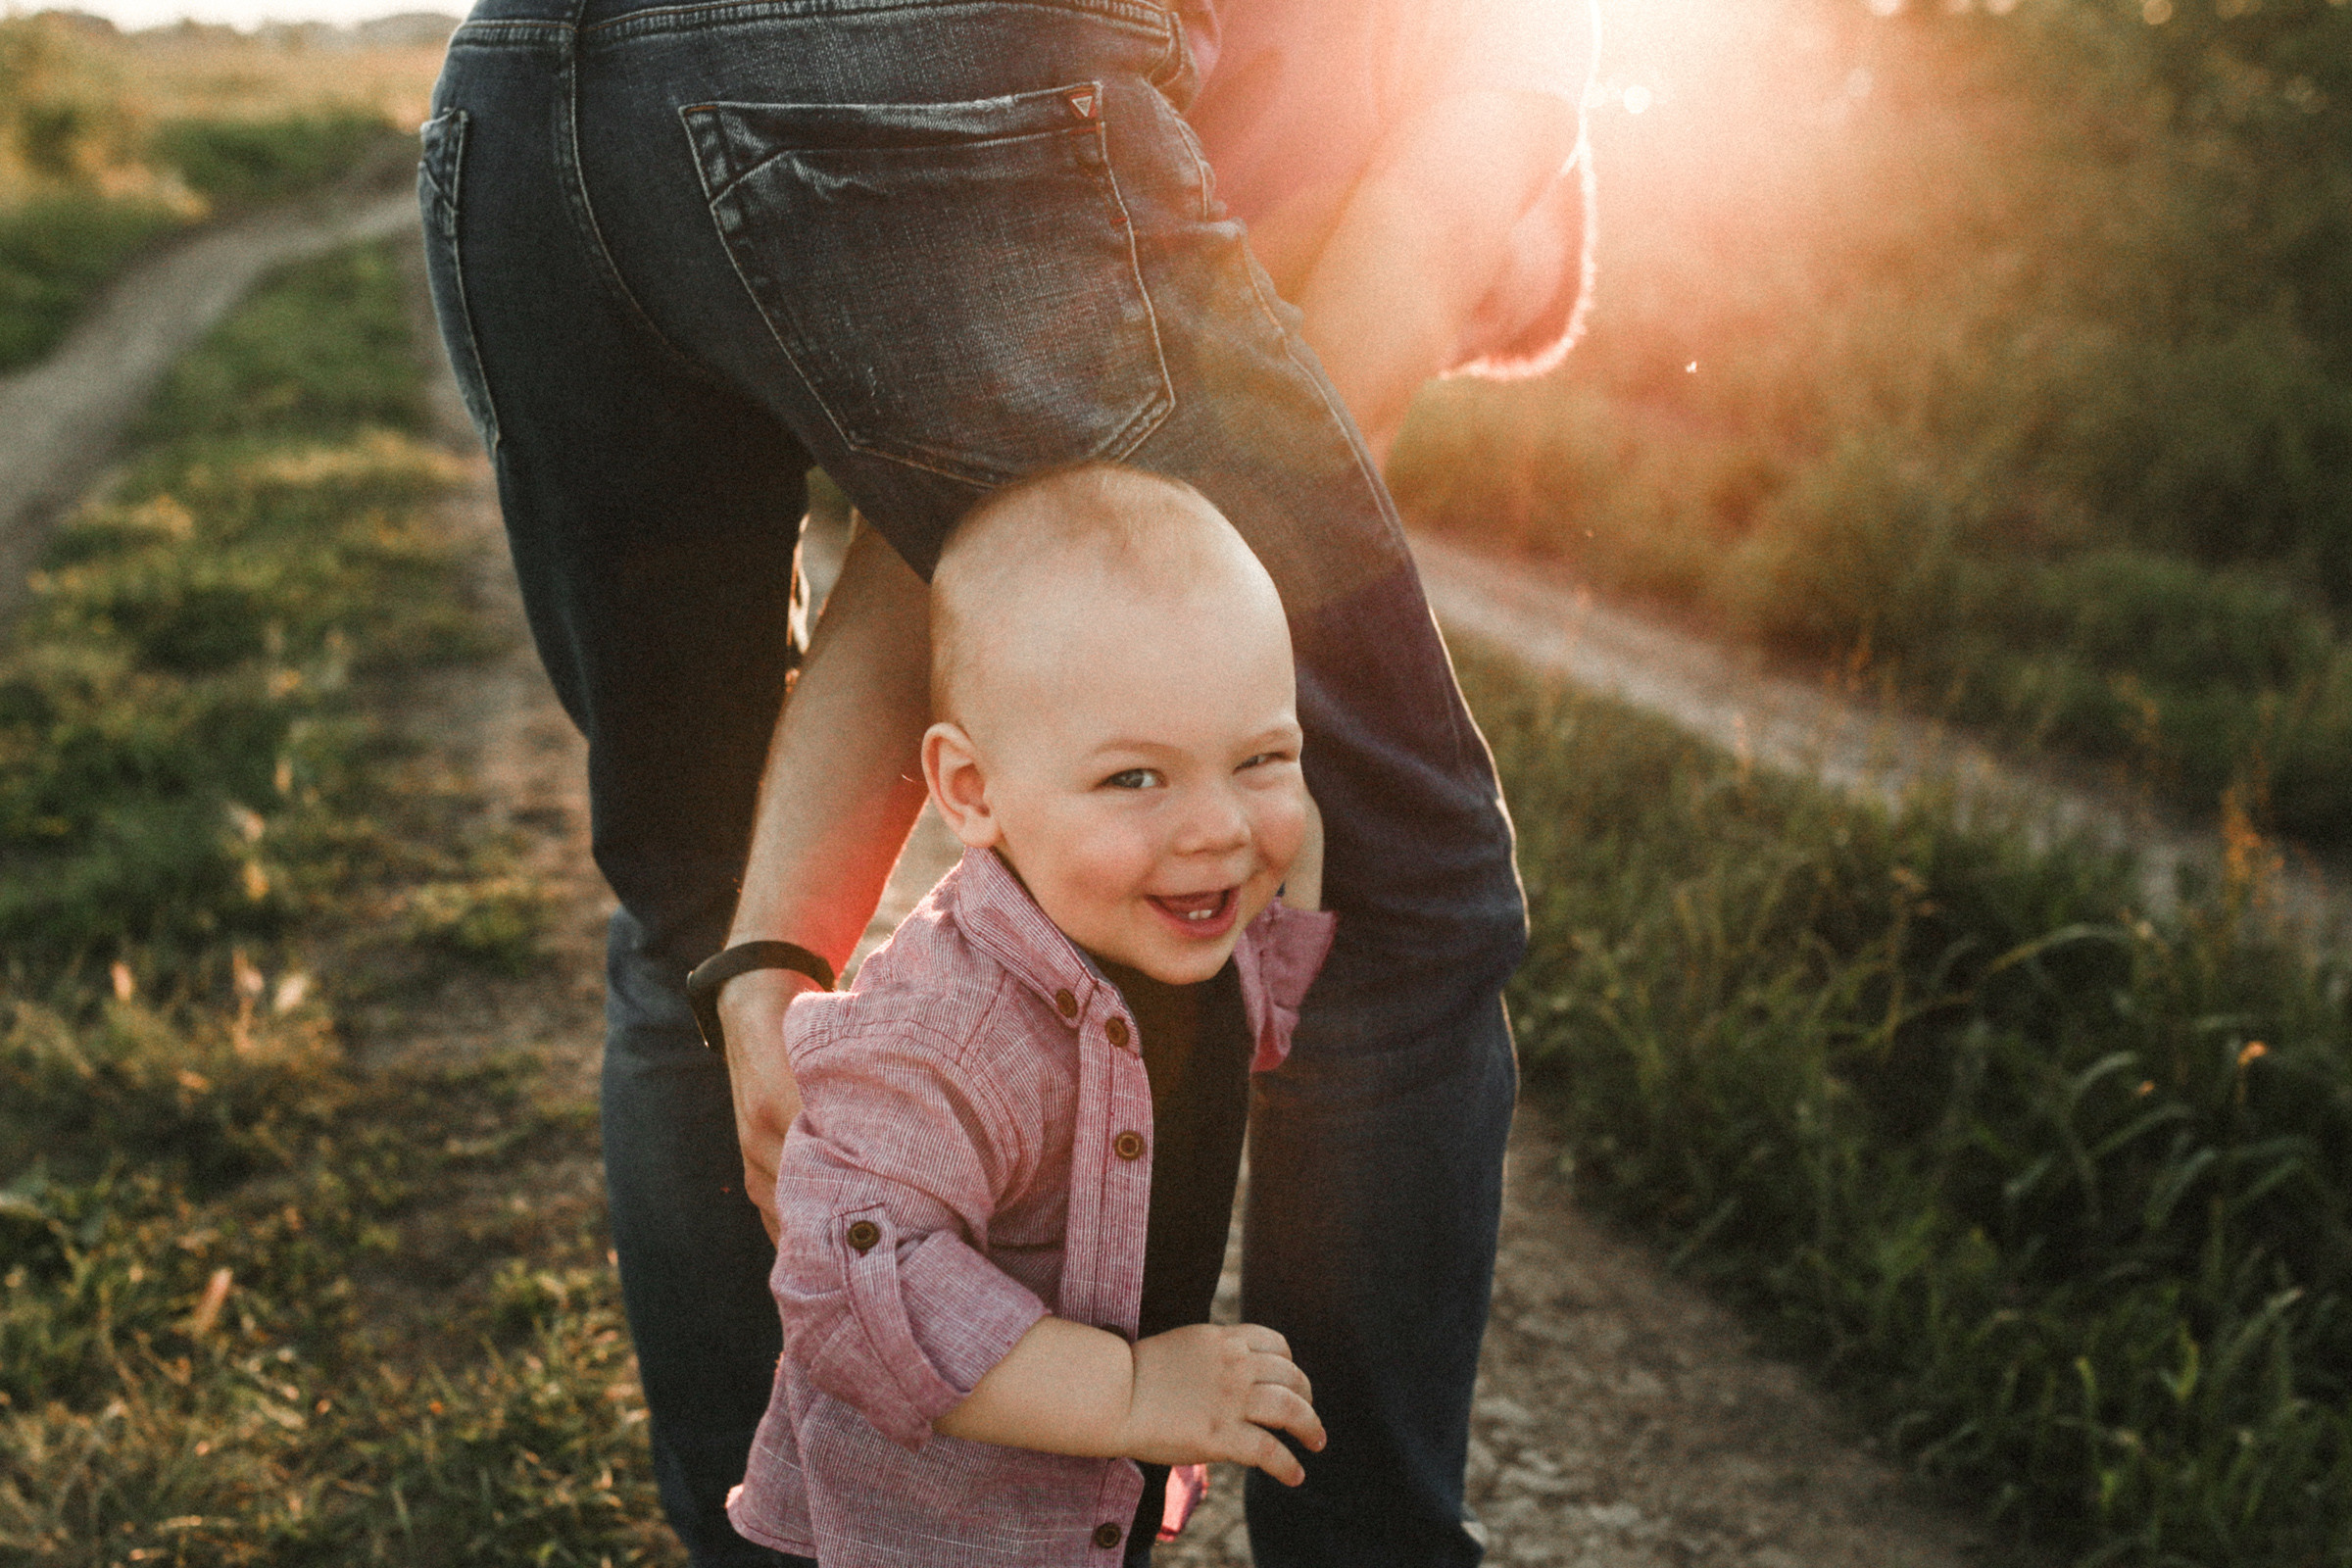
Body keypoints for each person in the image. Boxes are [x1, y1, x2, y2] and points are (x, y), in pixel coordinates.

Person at [417, 0, 1580, 1561]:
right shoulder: (1484, 65)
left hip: (519, 103)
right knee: (1412, 892)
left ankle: (777, 1538)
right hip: (888, 62)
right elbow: (1124, 552)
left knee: (693, 919)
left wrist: (777, 936)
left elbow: (982, 549)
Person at [725, 465, 1337, 1565]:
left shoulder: (1205, 926)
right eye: (1135, 779)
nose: (1217, 829)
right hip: (925, 1536)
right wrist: (1130, 1388)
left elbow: (1282, 940)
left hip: (1083, 1516)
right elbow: (847, 1271)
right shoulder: (949, 1032)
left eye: (1261, 757)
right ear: (969, 790)